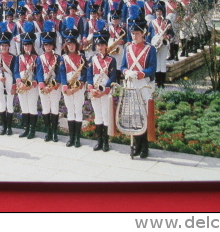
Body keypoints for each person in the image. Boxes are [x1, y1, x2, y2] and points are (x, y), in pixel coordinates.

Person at [121, 16, 157, 158]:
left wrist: (141, 74)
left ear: (143, 33)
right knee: (134, 116)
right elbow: (123, 66)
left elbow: (153, 68)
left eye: (137, 33)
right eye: (133, 33)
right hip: (131, 84)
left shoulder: (150, 49)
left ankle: (145, 147)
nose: (134, 35)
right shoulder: (127, 48)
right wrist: (126, 72)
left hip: (144, 85)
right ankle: (136, 145)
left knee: (144, 115)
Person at [86, 22, 117, 152]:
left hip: (104, 90)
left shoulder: (111, 60)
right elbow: (88, 75)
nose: (100, 47)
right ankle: (99, 141)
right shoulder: (92, 59)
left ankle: (106, 142)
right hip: (94, 90)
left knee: (105, 115)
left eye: (102, 45)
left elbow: (113, 77)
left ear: (106, 46)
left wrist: (104, 90)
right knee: (98, 115)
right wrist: (91, 88)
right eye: (98, 45)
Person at [59, 17, 87, 148]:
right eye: (68, 44)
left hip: (79, 86)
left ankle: (78, 138)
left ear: (76, 44)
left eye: (73, 44)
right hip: (67, 86)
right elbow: (62, 73)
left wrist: (79, 85)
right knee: (70, 110)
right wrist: (65, 86)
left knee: (78, 110)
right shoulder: (63, 58)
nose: (71, 46)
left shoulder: (82, 57)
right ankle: (71, 137)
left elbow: (85, 73)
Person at [36, 20, 62, 142]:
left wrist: (54, 85)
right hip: (43, 87)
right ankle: (48, 131)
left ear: (53, 46)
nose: (48, 47)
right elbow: (38, 73)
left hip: (54, 86)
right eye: (46, 45)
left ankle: (55, 132)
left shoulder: (58, 57)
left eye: (50, 45)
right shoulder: (39, 58)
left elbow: (60, 73)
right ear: (43, 46)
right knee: (46, 109)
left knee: (55, 109)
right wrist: (42, 85)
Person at [14, 21, 39, 139]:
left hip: (32, 85)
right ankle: (26, 129)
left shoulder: (36, 58)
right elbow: (15, 71)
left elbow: (39, 73)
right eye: (25, 45)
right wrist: (19, 82)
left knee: (32, 106)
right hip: (21, 85)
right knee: (24, 106)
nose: (27, 47)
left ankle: (32, 130)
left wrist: (31, 84)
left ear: (32, 46)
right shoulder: (19, 57)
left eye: (29, 45)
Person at [0, 22, 17, 135]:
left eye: (6, 45)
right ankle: (3, 126)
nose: (4, 47)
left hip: (10, 82)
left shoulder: (13, 57)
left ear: (8, 46)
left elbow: (16, 72)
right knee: (2, 104)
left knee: (10, 104)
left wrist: (14, 85)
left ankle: (9, 127)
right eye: (2, 45)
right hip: (0, 82)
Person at [148, 3, 173, 88]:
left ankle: (162, 82)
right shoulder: (152, 22)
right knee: (157, 62)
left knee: (162, 61)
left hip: (164, 42)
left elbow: (171, 33)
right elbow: (149, 34)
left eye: (159, 11)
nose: (158, 13)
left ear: (162, 12)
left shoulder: (167, 21)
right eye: (157, 11)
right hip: (155, 42)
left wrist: (167, 37)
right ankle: (158, 81)